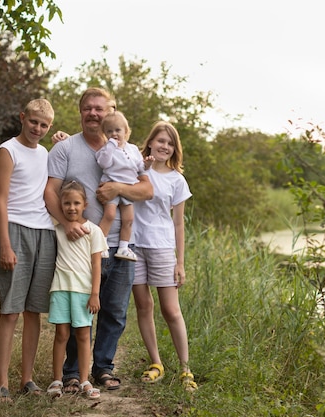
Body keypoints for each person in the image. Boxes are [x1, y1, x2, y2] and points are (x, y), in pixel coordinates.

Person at [44, 87, 153, 392]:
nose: (93, 113)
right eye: (87, 108)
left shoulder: (126, 149)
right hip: (80, 247)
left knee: (115, 311)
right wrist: (66, 223)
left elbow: (147, 190)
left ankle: (102, 368)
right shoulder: (65, 149)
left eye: (99, 108)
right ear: (80, 112)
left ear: (111, 111)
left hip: (121, 245)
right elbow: (50, 192)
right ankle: (73, 373)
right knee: (79, 312)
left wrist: (117, 187)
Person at [0, 98, 56, 401]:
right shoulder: (8, 150)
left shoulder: (45, 153)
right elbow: (0, 200)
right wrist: (5, 243)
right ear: (22, 118)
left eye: (44, 125)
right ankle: (1, 383)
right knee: (11, 311)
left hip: (44, 233)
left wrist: (61, 142)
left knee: (33, 312)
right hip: (14, 231)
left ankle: (26, 379)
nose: (37, 128)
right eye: (33, 122)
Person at [132, 121, 198, 392]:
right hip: (133, 246)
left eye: (170, 144)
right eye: (160, 141)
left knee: (171, 310)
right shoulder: (135, 168)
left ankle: (185, 369)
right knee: (144, 306)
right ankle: (156, 363)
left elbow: (179, 224)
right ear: (150, 142)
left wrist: (180, 262)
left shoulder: (176, 180)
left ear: (175, 149)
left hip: (162, 247)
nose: (165, 147)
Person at [46, 180, 107, 399]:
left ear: (85, 205)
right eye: (67, 203)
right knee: (61, 334)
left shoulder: (94, 231)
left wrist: (94, 294)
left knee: (83, 335)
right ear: (60, 205)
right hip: (61, 288)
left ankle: (84, 380)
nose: (71, 207)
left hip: (83, 292)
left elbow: (97, 265)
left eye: (76, 203)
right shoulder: (56, 230)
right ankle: (56, 380)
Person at [95, 110, 152, 262]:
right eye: (109, 131)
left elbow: (140, 167)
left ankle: (123, 247)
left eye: (118, 130)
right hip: (110, 186)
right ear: (104, 134)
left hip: (128, 189)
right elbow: (103, 163)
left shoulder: (132, 149)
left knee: (128, 219)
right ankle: (100, 244)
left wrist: (147, 164)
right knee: (110, 215)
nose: (114, 134)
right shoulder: (106, 150)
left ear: (126, 132)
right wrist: (111, 146)